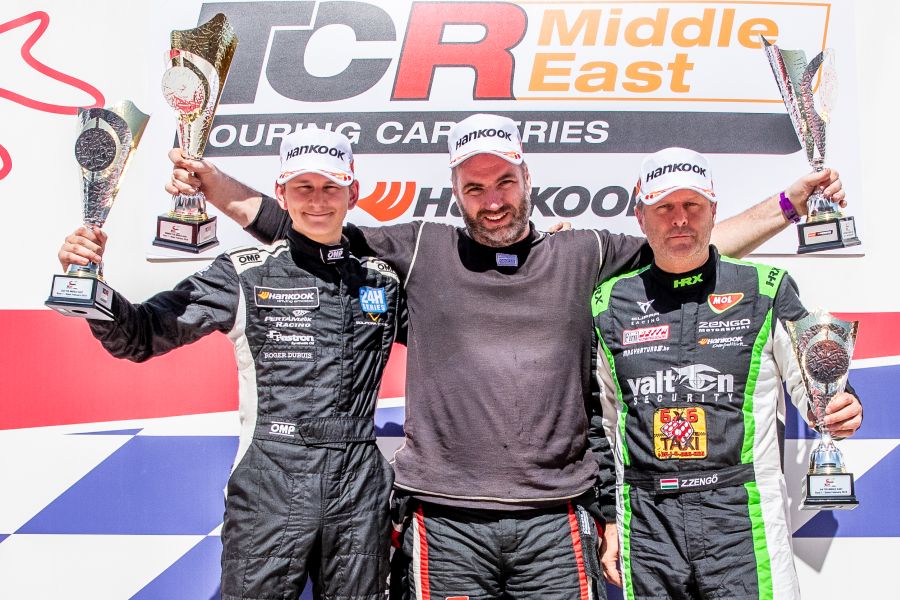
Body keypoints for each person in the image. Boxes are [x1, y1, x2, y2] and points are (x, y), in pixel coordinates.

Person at [61, 114, 847, 600]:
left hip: (555, 517)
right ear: (456, 194)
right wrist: (211, 181)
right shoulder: (420, 251)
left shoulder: (586, 255)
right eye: (475, 187)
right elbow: (299, 223)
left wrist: (791, 202)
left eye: (505, 181)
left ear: (528, 180)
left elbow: (691, 243)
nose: (493, 198)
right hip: (443, 519)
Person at [60, 129, 405, 600]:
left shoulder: (382, 280)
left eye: (331, 187)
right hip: (270, 480)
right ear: (281, 193)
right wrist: (90, 282)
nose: (318, 201)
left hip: (360, 484)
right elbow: (140, 336)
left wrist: (540, 252)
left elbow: (466, 335)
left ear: (353, 193)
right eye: (303, 187)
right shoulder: (243, 273)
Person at [590, 147, 863, 599]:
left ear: (713, 210)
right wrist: (610, 517)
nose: (679, 219)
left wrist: (838, 405)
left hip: (742, 515)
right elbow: (602, 424)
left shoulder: (764, 288)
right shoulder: (607, 303)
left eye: (692, 205)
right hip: (648, 519)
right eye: (665, 207)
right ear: (641, 217)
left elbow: (814, 383)